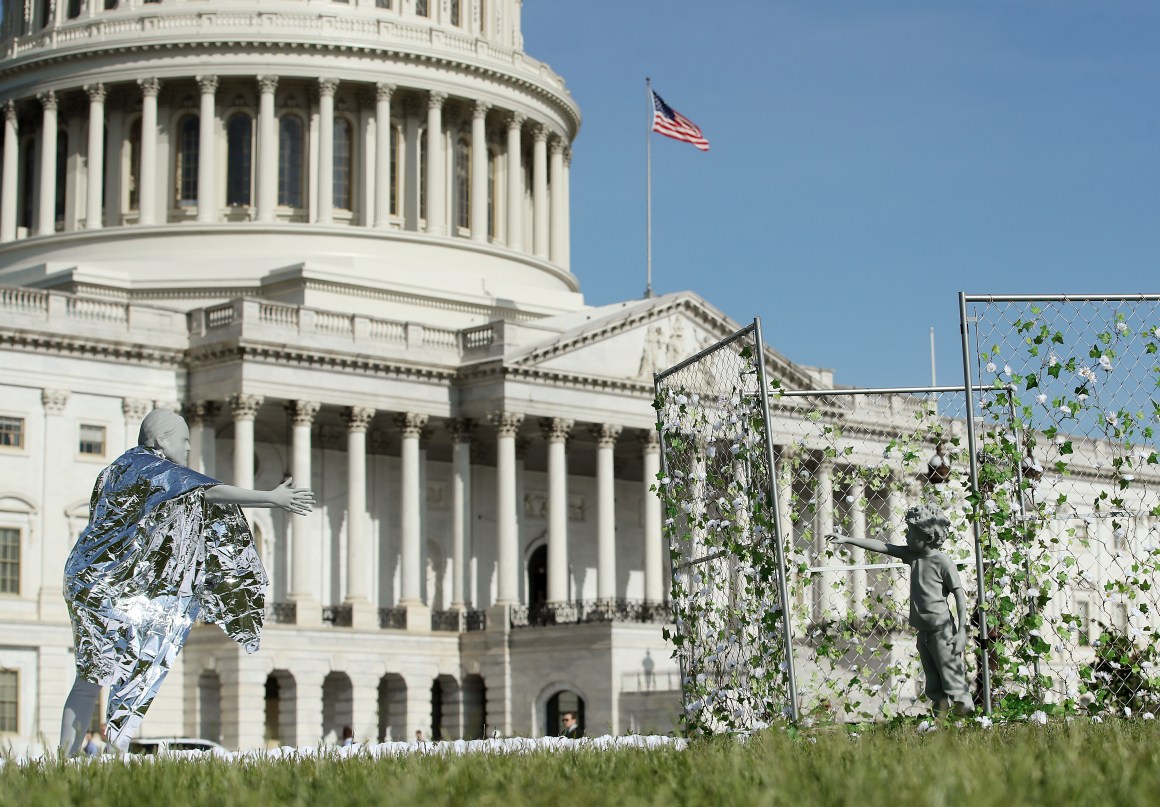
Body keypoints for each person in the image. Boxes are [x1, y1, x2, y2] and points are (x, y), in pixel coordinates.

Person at [58, 409, 314, 756]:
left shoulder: (116, 468)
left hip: (85, 578)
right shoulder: (150, 468)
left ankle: (67, 758)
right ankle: (116, 750)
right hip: (111, 587)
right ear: (162, 441)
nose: (190, 446)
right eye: (183, 440)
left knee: (90, 674)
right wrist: (270, 497)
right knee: (149, 649)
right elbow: (207, 492)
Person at [828, 502, 974, 716]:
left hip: (943, 633)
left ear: (928, 536)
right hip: (923, 633)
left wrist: (962, 631)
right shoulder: (912, 556)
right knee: (933, 684)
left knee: (952, 680)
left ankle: (967, 717)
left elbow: (959, 594)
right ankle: (941, 722)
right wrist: (849, 539)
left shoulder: (943, 562)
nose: (906, 537)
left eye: (910, 532)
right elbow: (883, 546)